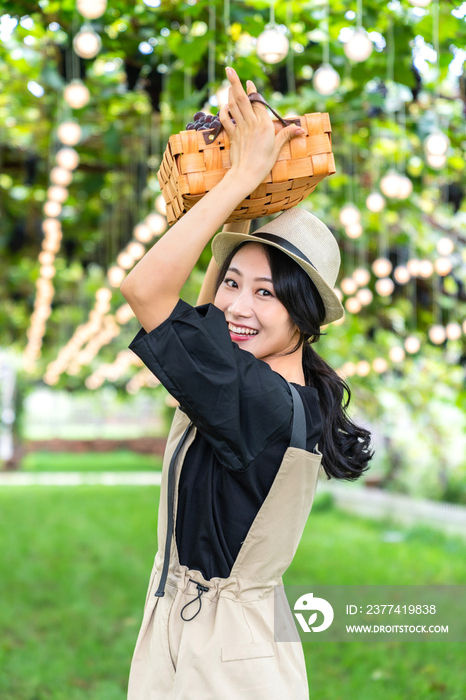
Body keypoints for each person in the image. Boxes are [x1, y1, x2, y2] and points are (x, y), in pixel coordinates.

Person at [121, 66, 374, 700]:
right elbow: (206, 317)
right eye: (234, 282)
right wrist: (243, 190)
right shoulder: (277, 388)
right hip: (220, 638)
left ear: (304, 317)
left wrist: (238, 176)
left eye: (266, 293)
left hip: (219, 661)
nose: (238, 305)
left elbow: (145, 290)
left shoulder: (254, 401)